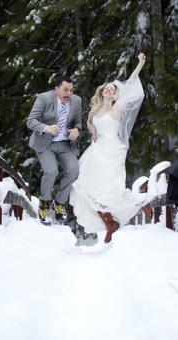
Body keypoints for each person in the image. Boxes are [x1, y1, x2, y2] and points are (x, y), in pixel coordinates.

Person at [70, 53, 153, 243]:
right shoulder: (95, 110)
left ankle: (139, 202)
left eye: (112, 89)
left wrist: (140, 63)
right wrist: (93, 133)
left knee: (112, 188)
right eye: (106, 88)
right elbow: (90, 123)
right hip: (96, 151)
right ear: (101, 92)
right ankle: (110, 224)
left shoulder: (118, 107)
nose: (109, 90)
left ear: (116, 93)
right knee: (88, 186)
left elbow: (130, 83)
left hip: (113, 150)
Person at [27, 75, 82, 226]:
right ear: (56, 89)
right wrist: (45, 128)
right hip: (46, 144)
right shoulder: (43, 98)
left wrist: (77, 130)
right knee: (51, 171)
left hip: (65, 145)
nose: (68, 93)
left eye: (71, 90)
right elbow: (31, 121)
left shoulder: (76, 101)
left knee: (74, 169)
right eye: (65, 90)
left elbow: (78, 122)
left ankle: (59, 203)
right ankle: (44, 204)